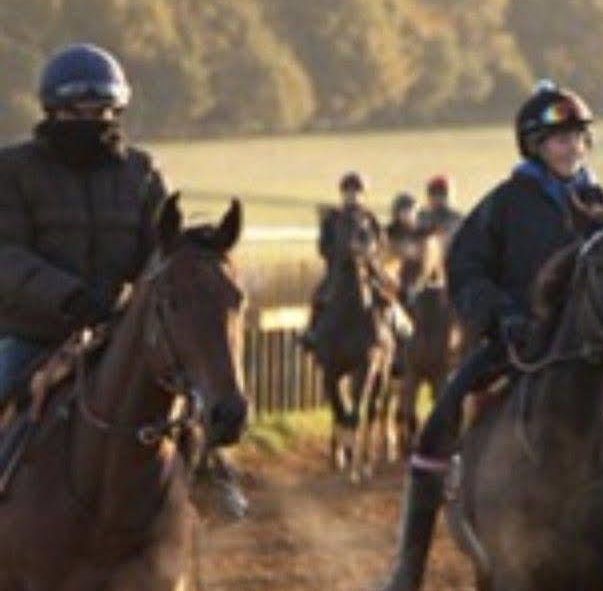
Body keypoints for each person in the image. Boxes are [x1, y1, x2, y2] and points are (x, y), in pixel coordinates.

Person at [367, 80, 603, 591]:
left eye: (577, 138)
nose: (571, 148)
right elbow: (465, 268)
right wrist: (501, 315)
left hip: (593, 358)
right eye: (558, 138)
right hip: (512, 348)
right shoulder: (504, 203)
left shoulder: (602, 208)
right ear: (533, 146)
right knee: (436, 428)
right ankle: (408, 571)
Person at [0, 43, 246, 517]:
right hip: (32, 332)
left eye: (105, 110)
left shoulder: (141, 171)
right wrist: (67, 297)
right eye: (81, 110)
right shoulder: (13, 171)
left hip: (117, 330)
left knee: (189, 385)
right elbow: (5, 254)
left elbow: (161, 249)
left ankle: (211, 475)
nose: (95, 120)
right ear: (53, 111)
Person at [300, 170, 383, 358]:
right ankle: (312, 333)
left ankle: (396, 337)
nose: (352, 196)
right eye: (348, 191)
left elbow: (379, 244)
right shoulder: (332, 218)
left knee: (386, 297)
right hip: (338, 270)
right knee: (319, 296)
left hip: (366, 270)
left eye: (356, 192)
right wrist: (337, 253)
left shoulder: (369, 218)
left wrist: (364, 252)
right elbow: (323, 246)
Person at [417, 173, 463, 241]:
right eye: (434, 194)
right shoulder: (421, 217)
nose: (438, 198)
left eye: (442, 194)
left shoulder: (457, 219)